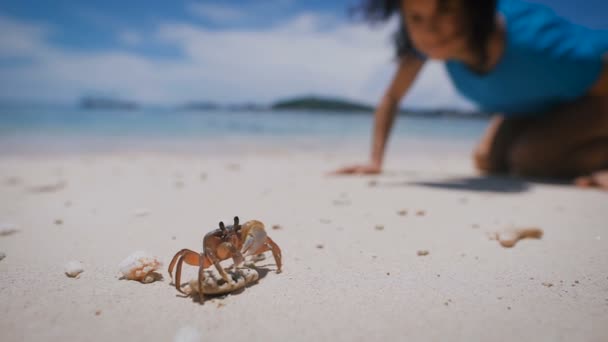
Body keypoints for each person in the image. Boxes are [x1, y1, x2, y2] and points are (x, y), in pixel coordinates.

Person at [334, 0, 608, 189]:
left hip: (597, 94)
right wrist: (375, 161)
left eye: (446, 9)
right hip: (542, 107)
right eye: (416, 17)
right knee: (487, 160)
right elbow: (392, 97)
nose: (430, 28)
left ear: (475, 7)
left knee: (531, 159)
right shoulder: (431, 45)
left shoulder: (537, 46)